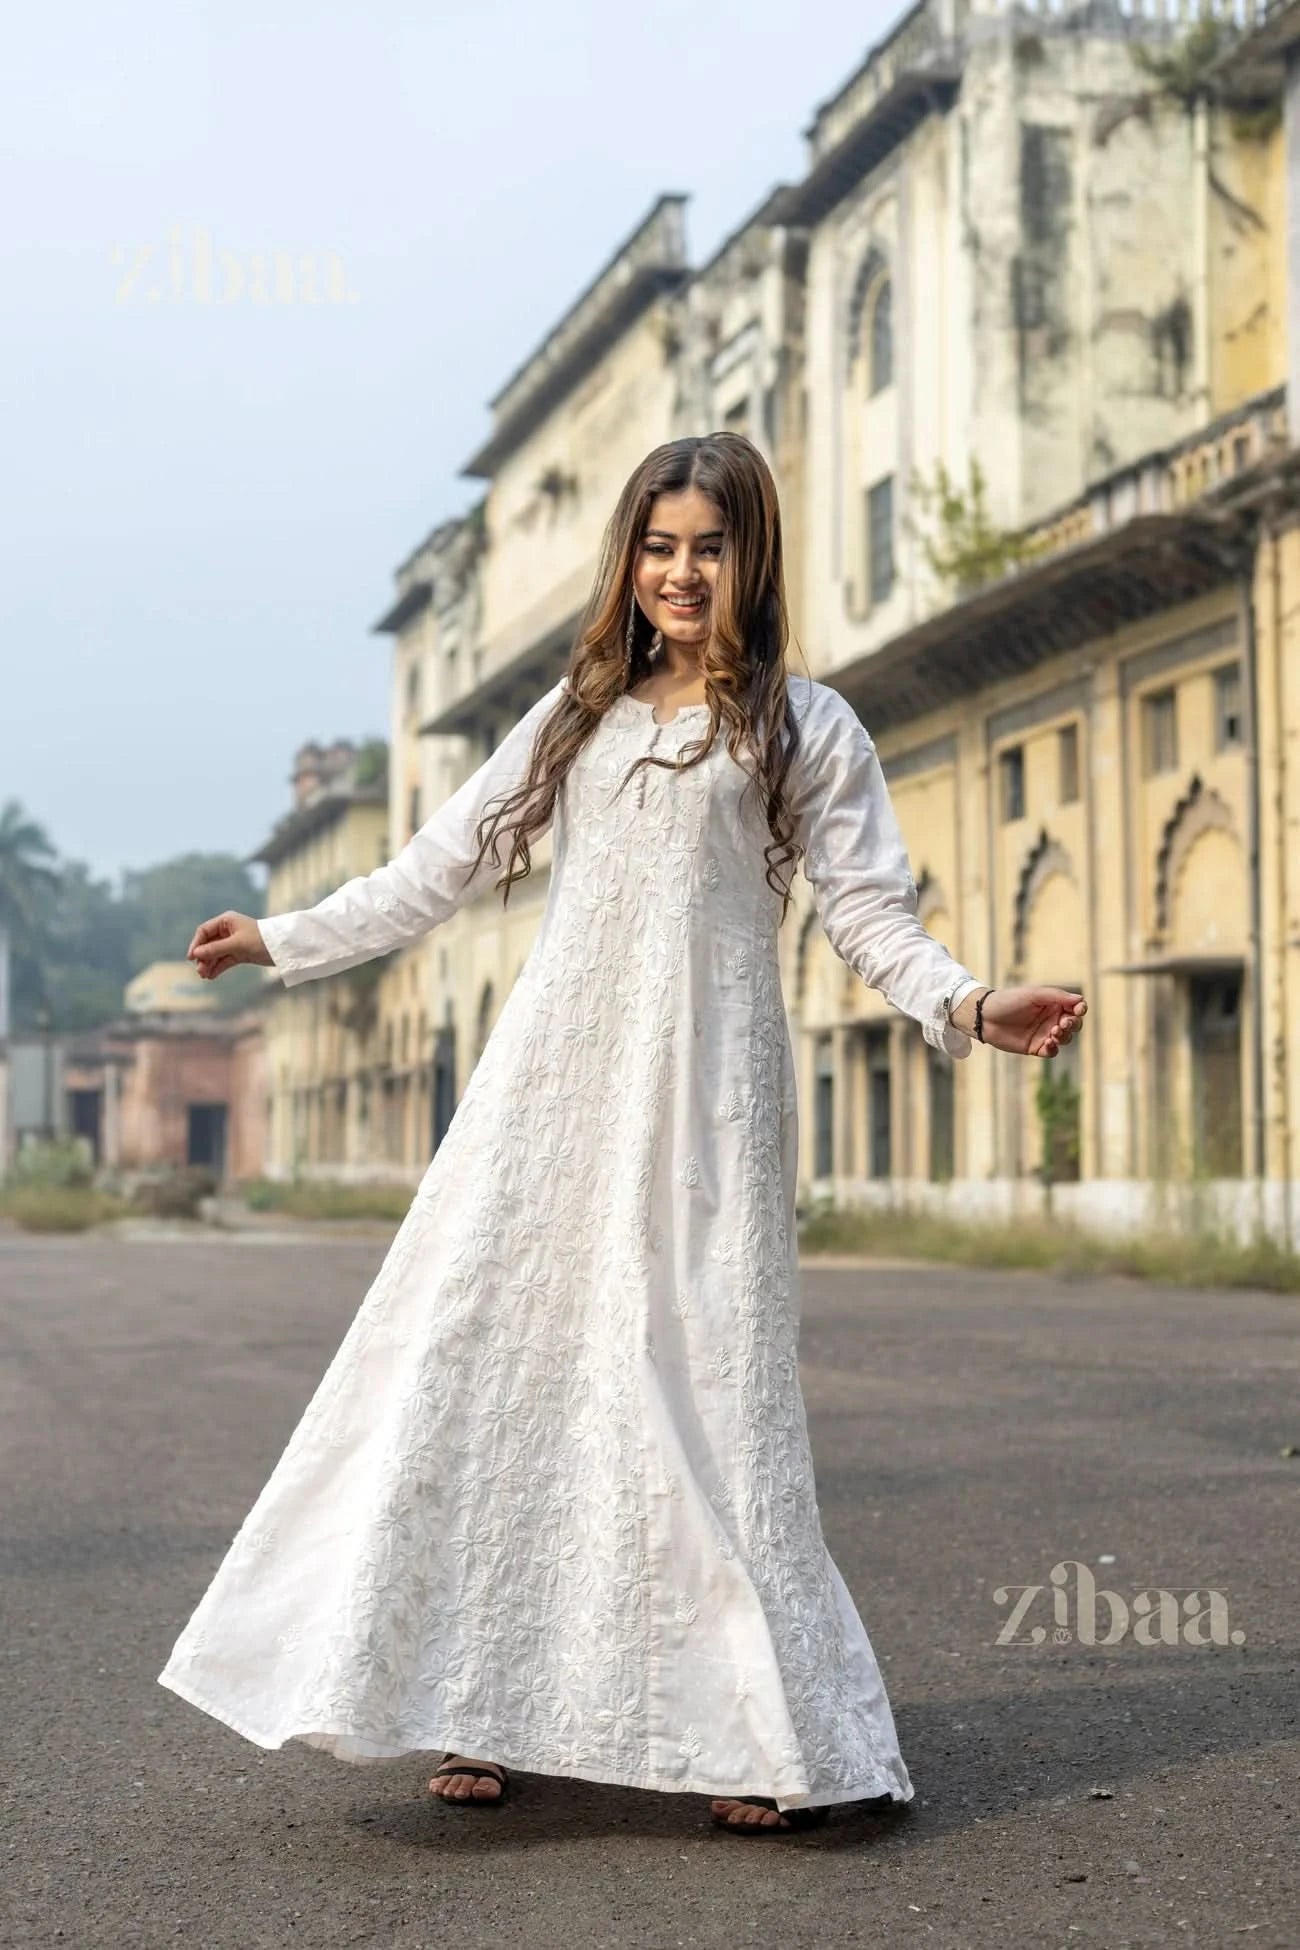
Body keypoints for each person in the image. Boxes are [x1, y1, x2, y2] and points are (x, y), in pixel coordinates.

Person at [159, 432, 1086, 1836]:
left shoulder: (804, 726)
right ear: (629, 559)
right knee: (508, 1374)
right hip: (555, 1089)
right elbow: (439, 868)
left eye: (708, 545)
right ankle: (475, 1704)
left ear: (750, 556)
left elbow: (868, 912)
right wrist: (283, 937)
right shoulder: (577, 714)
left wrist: (966, 1001)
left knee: (714, 1395)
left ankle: (748, 1726)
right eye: (658, 545)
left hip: (713, 1094)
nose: (679, 571)